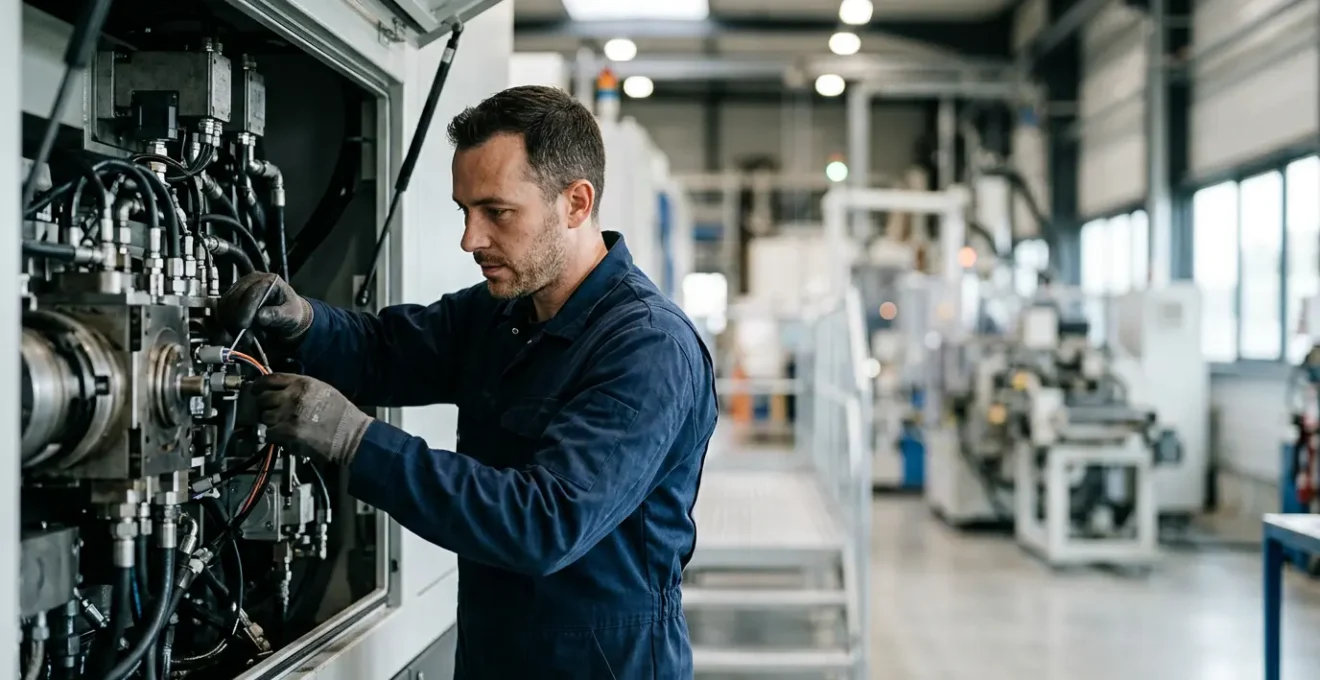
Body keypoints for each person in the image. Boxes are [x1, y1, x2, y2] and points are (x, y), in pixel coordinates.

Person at [218, 85, 717, 679]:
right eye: (465, 211)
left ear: (576, 204)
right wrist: (303, 321)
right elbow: (384, 349)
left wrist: (355, 440)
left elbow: (545, 523)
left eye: (497, 213)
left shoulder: (646, 347)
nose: (471, 239)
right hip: (494, 654)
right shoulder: (503, 313)